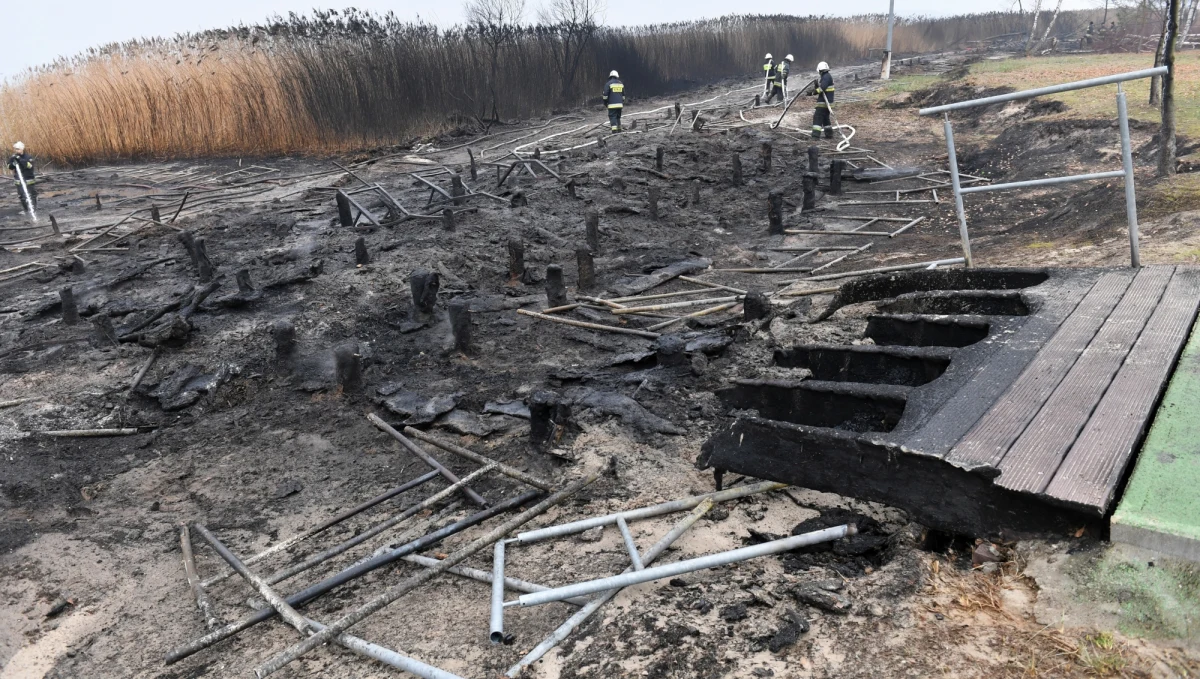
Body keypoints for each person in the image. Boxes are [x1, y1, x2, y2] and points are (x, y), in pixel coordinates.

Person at [7, 142, 36, 214]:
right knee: (21, 196)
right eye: (15, 149)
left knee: (32, 195)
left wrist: (20, 159)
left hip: (28, 178)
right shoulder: (13, 157)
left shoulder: (28, 157)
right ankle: (26, 210)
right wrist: (12, 164)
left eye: (18, 149)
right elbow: (9, 166)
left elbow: (29, 166)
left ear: (22, 149)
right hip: (19, 179)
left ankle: (34, 209)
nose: (16, 150)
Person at [810, 62, 835, 139]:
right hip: (828, 102)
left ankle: (815, 135)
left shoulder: (826, 77)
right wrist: (816, 85)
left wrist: (812, 92)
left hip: (823, 103)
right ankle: (829, 134)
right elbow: (823, 89)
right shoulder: (827, 76)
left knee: (818, 117)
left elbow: (822, 89)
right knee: (825, 118)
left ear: (820, 71)